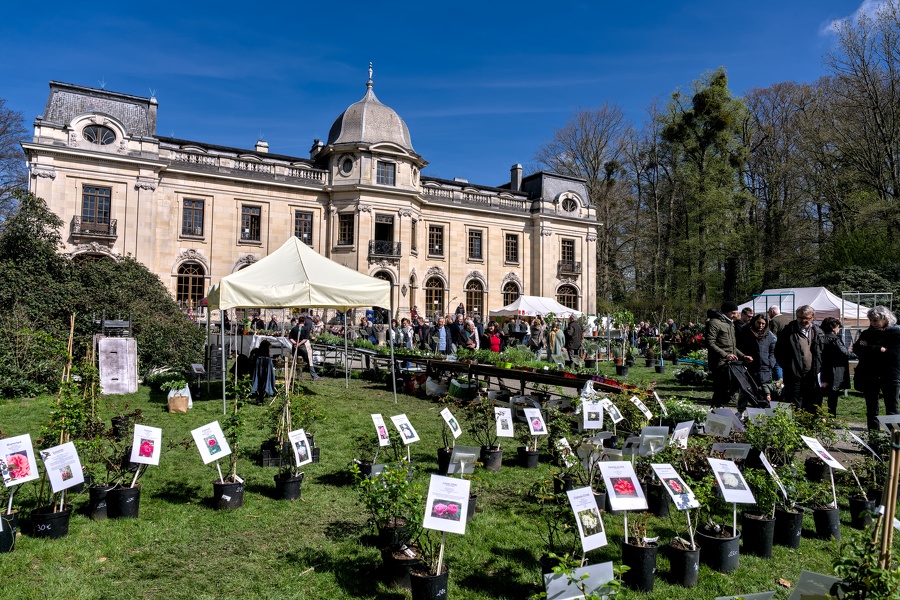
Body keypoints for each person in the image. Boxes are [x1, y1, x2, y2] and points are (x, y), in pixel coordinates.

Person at [853, 306, 900, 430]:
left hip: (890, 375)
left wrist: (868, 348)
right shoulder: (867, 333)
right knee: (872, 409)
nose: (872, 323)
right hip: (870, 374)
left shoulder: (896, 333)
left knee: (892, 408)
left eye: (875, 320)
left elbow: (892, 355)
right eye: (871, 320)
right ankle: (873, 439)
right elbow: (857, 349)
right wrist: (877, 349)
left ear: (885, 319)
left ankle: (893, 441)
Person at [774, 305, 824, 411]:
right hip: (794, 375)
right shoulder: (788, 332)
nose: (803, 320)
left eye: (807, 318)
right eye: (800, 317)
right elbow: (778, 352)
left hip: (812, 375)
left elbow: (821, 352)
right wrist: (789, 367)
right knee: (794, 404)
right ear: (796, 316)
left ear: (813, 317)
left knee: (811, 404)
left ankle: (808, 426)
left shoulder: (817, 332)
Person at [706, 301, 751, 408]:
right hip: (719, 363)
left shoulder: (730, 323)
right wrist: (725, 355)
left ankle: (720, 407)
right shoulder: (715, 323)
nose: (736, 315)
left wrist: (743, 356)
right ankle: (716, 411)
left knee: (735, 385)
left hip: (731, 362)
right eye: (733, 313)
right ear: (726, 312)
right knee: (720, 389)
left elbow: (732, 346)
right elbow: (710, 343)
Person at [737, 314, 777, 409]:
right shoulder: (746, 332)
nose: (761, 326)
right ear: (754, 322)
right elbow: (739, 347)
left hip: (764, 369)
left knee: (763, 392)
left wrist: (770, 363)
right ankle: (741, 410)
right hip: (749, 367)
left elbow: (773, 351)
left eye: (763, 324)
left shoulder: (769, 336)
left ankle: (761, 412)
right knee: (745, 390)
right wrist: (744, 358)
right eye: (758, 323)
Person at [819, 316, 856, 417]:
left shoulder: (819, 337)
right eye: (837, 327)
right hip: (834, 370)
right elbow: (845, 354)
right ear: (833, 327)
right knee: (833, 395)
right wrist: (859, 354)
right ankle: (831, 417)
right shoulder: (834, 339)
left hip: (821, 368)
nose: (838, 329)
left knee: (819, 394)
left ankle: (817, 416)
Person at [290, 316, 322, 381]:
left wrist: (295, 343)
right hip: (303, 346)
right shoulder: (305, 329)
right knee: (309, 361)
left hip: (295, 347)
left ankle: (299, 376)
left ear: (298, 321)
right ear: (304, 322)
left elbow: (290, 338)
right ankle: (314, 376)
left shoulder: (294, 329)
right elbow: (305, 339)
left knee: (296, 361)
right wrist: (299, 344)